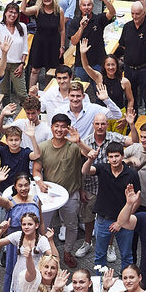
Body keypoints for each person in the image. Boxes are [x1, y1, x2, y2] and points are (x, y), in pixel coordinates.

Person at [33, 114, 93, 268]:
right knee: (43, 226)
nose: (59, 130)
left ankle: (67, 251)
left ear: (68, 128)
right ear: (51, 127)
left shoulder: (74, 146)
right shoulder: (44, 147)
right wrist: (39, 182)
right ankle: (44, 253)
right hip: (49, 195)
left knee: (72, 224)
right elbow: (36, 170)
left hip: (71, 192)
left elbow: (91, 154)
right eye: (56, 126)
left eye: (63, 126)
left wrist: (79, 142)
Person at [82, 140, 140, 270]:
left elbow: (137, 200)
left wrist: (121, 222)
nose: (114, 159)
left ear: (122, 156)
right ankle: (101, 284)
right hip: (103, 219)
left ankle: (127, 284)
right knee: (100, 255)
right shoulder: (103, 168)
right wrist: (90, 160)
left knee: (127, 256)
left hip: (125, 221)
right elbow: (85, 171)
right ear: (107, 158)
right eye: (111, 156)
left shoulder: (132, 174)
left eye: (116, 156)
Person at [112, 0, 146, 115]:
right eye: (132, 13)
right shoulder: (127, 26)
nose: (135, 16)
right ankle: (132, 122)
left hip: (145, 69)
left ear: (143, 13)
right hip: (129, 69)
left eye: (138, 13)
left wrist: (143, 1)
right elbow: (123, 45)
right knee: (130, 99)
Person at [68, 0, 116, 79]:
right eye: (84, 5)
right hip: (81, 62)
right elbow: (74, 42)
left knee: (99, 88)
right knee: (80, 88)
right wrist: (81, 27)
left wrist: (105, 0)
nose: (86, 7)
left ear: (93, 6)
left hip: (98, 60)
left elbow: (112, 13)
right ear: (80, 7)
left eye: (89, 5)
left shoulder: (99, 19)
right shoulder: (74, 22)